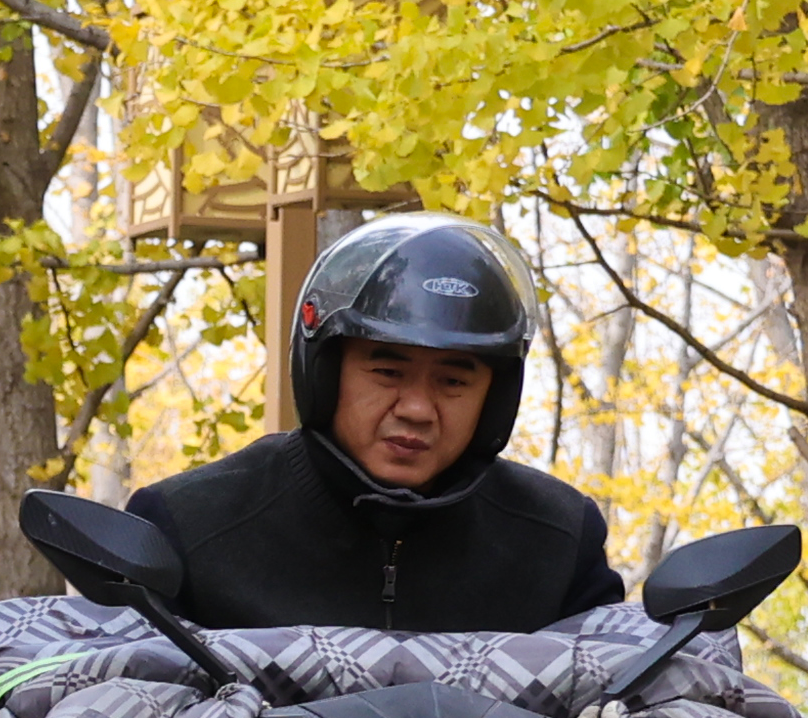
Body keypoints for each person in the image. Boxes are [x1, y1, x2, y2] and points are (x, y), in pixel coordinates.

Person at [128, 213, 620, 632]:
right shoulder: (188, 525)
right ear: (324, 372)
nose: (417, 409)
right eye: (388, 372)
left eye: (452, 382)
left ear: (495, 397)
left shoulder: (558, 540)